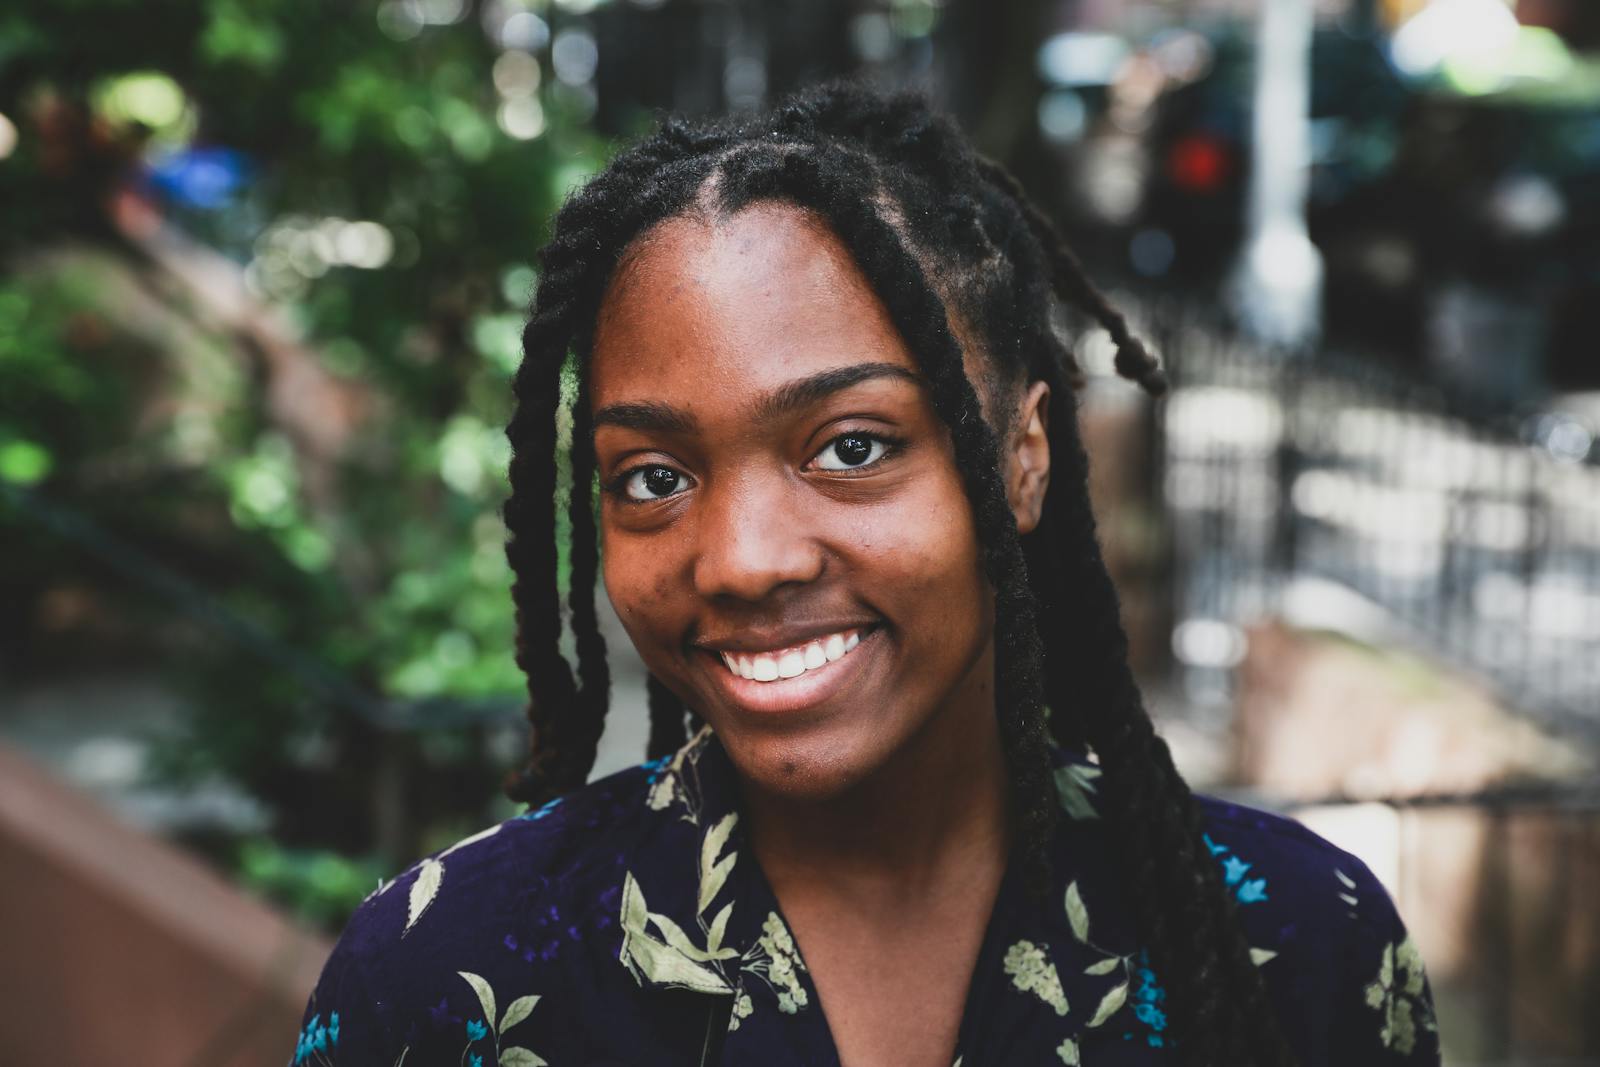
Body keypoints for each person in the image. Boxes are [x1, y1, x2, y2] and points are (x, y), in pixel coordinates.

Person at [289, 83, 1441, 1067]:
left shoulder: (1294, 947)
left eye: (852, 446)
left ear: (1021, 457)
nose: (742, 559)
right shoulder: (445, 983)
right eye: (651, 475)